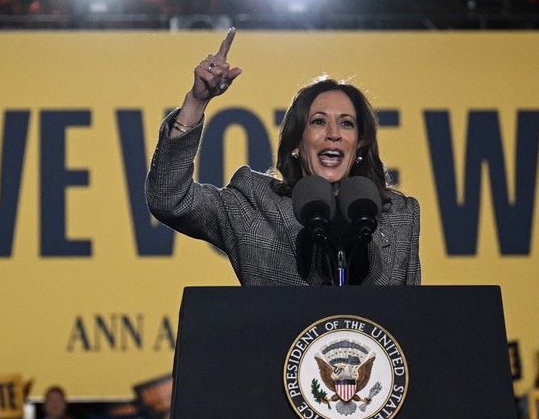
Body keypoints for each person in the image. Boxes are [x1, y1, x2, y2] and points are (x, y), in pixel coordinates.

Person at [146, 27, 421, 286]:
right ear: (296, 143)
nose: (333, 134)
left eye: (346, 123)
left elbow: (408, 319)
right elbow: (170, 200)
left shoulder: (399, 216)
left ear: (360, 143)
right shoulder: (253, 205)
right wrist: (196, 102)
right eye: (318, 122)